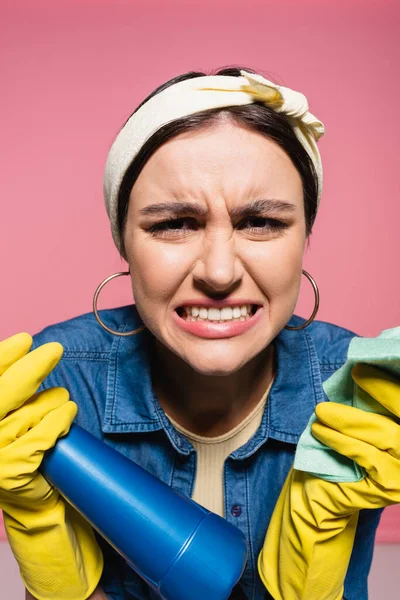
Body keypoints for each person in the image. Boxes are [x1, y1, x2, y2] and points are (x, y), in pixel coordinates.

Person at [1, 66, 400, 600]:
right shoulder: (58, 387)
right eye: (175, 223)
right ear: (122, 238)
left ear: (306, 232)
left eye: (260, 221)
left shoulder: (360, 395)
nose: (218, 272)